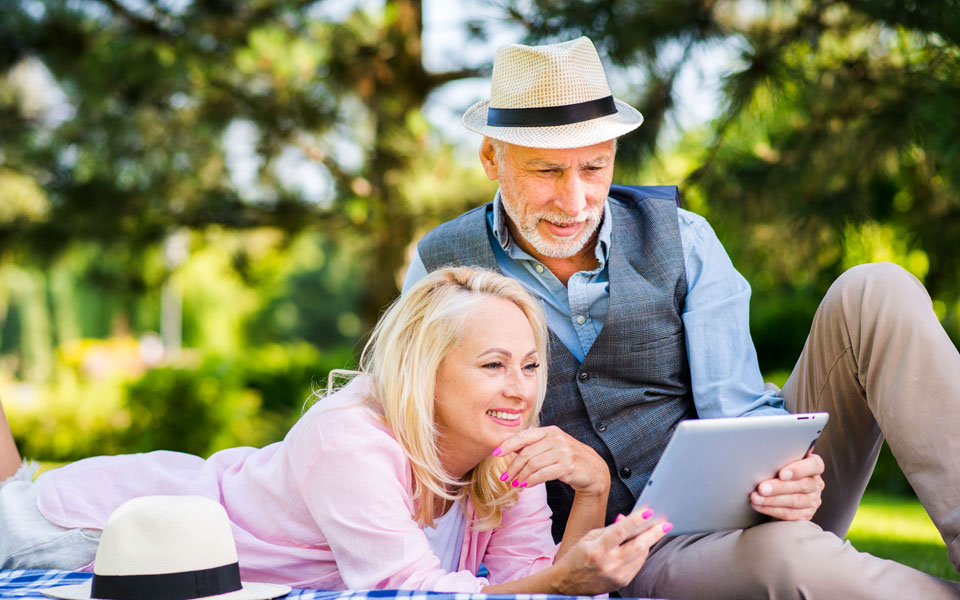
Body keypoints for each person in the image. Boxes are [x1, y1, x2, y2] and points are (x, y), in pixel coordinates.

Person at [403, 36, 960, 599]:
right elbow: (418, 440)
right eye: (546, 171)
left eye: (594, 167)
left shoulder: (684, 239)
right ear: (491, 158)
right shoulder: (442, 268)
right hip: (623, 552)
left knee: (877, 289)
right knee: (788, 557)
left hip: (756, 504)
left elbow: (736, 410)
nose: (573, 202)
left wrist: (793, 474)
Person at [0, 267, 669, 594]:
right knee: (9, 503)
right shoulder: (348, 437)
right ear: (424, 373)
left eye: (529, 366)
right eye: (493, 365)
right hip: (109, 520)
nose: (521, 389)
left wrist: (593, 490)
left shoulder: (509, 452)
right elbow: (402, 592)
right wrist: (558, 580)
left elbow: (534, 589)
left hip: (190, 507)